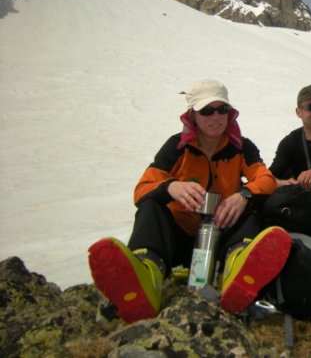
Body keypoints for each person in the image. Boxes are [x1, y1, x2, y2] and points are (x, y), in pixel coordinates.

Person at [87, 79, 292, 323]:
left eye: (222, 109)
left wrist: (243, 195)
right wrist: (171, 187)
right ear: (192, 115)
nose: (216, 116)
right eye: (207, 110)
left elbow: (265, 179)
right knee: (151, 206)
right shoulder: (176, 147)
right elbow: (142, 190)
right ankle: (146, 274)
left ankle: (238, 269)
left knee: (252, 207)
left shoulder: (240, 146)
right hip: (178, 239)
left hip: (222, 234)